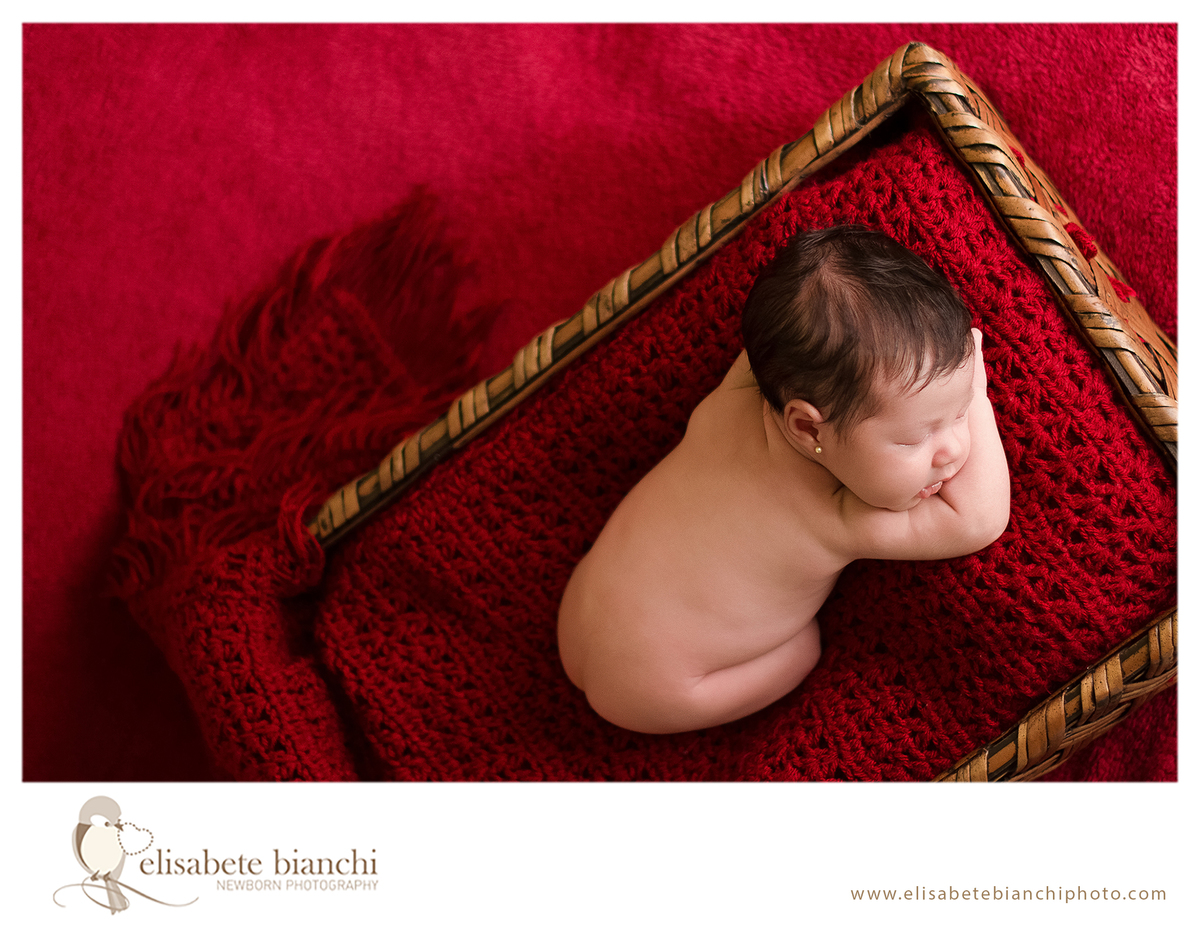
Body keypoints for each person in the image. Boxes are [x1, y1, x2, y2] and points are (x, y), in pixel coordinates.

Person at [556, 225, 1011, 734]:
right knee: (805, 647)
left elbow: (796, 334)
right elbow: (978, 519)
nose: (953, 449)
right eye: (913, 440)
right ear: (805, 426)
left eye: (958, 415)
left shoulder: (740, 393)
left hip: (579, 611)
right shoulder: (833, 516)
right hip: (664, 689)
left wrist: (952, 397)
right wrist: (980, 393)